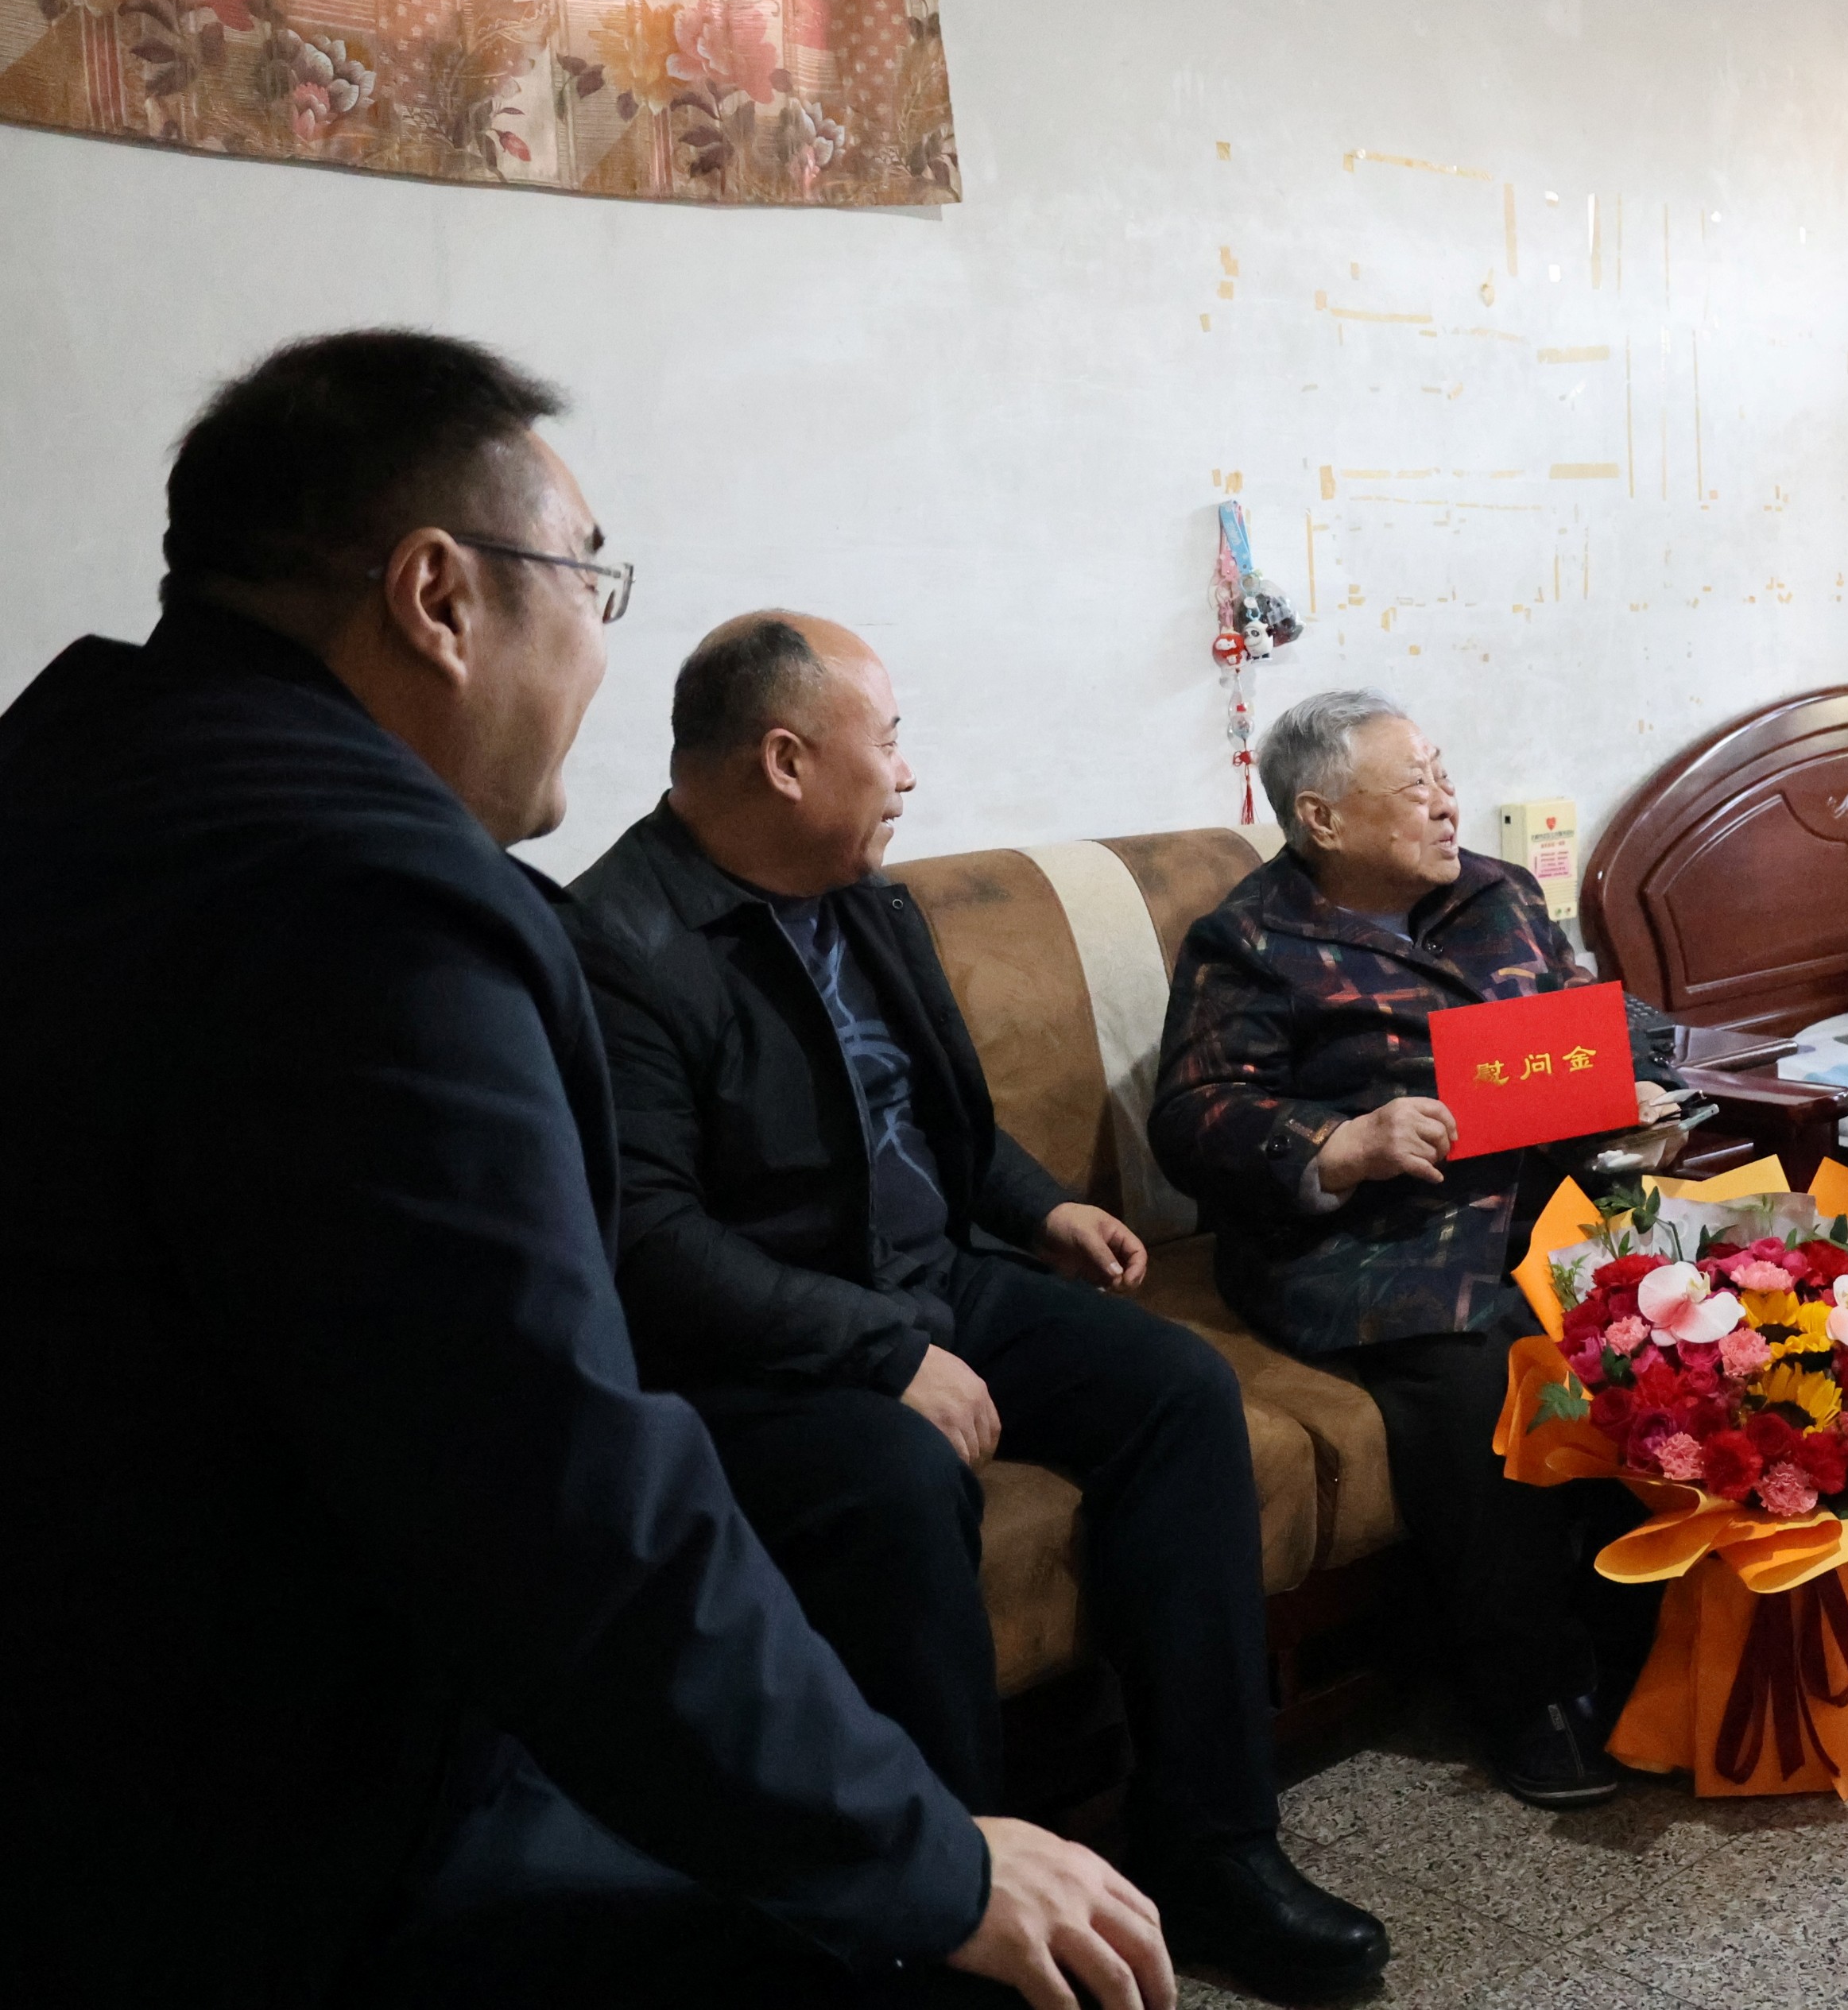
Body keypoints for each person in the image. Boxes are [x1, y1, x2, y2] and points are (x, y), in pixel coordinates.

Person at [0, 330, 1170, 2010]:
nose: (603, 652)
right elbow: (547, 1483)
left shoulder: (79, 766)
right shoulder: (381, 905)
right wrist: (927, 1855)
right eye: (588, 582)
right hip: (265, 1779)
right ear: (439, 596)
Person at [562, 614, 1386, 2003]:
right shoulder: (616, 945)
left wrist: (1040, 1208)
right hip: (756, 1349)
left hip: (931, 1277)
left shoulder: (867, 900)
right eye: (886, 742)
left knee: (1179, 1392)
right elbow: (648, 1238)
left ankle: (1212, 1850)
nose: (906, 774)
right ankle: (951, 1912)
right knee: (896, 1479)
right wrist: (887, 1353)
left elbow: (942, 1120)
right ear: (784, 760)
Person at [1149, 689, 1668, 1811]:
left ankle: (1655, 1643)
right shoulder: (1251, 939)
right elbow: (1194, 1113)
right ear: (1322, 818)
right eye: (1415, 784)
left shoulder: (1499, 891)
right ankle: (1523, 1690)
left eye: (1445, 773)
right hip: (1374, 1235)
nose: (1446, 803)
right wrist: (1337, 1143)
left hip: (1543, 1198)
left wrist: (1635, 1085)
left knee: (1673, 1313)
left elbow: (1590, 1020)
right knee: (1485, 1364)